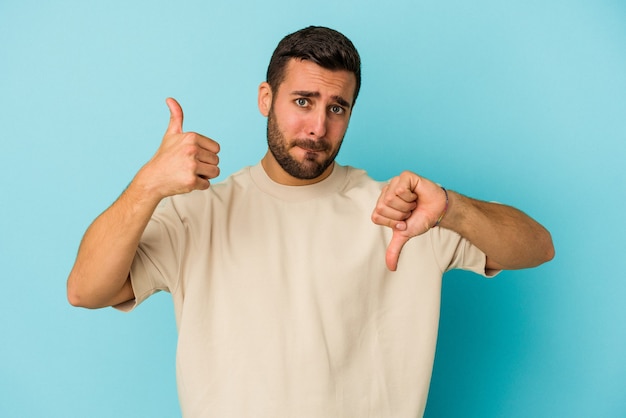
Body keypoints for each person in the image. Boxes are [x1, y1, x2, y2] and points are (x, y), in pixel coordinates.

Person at [67, 26, 554, 418]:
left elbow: (538, 247)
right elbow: (86, 291)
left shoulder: (401, 213)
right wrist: (147, 185)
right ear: (266, 98)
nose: (318, 127)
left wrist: (452, 206)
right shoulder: (199, 213)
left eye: (336, 108)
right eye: (303, 101)